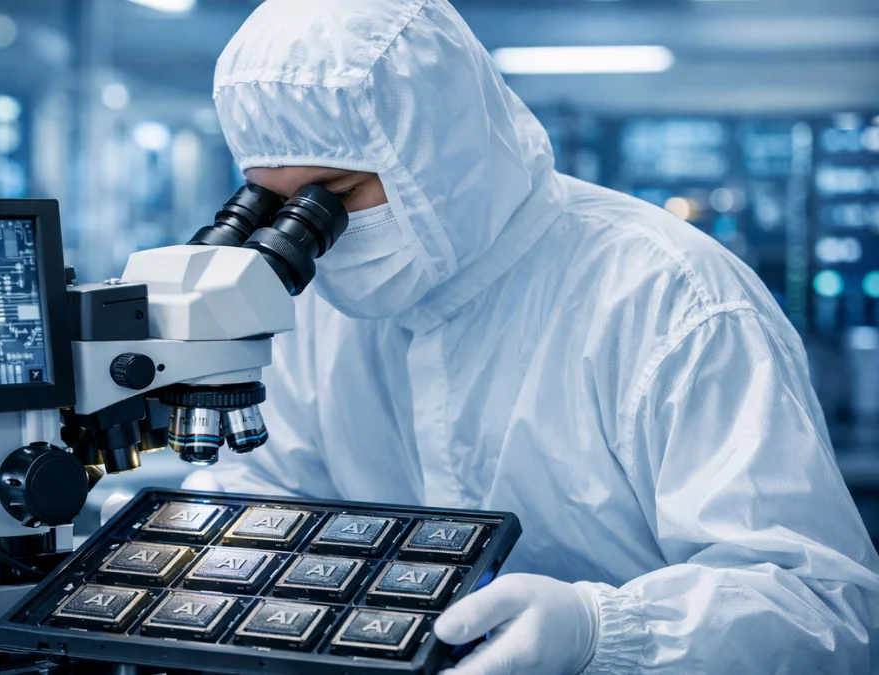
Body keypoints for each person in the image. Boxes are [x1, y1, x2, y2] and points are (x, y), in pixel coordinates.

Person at [108, 0, 879, 671]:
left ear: (436, 158)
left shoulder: (671, 298)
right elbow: (266, 497)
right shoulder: (317, 301)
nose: (310, 235)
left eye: (333, 197)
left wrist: (600, 634)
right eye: (274, 204)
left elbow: (823, 608)